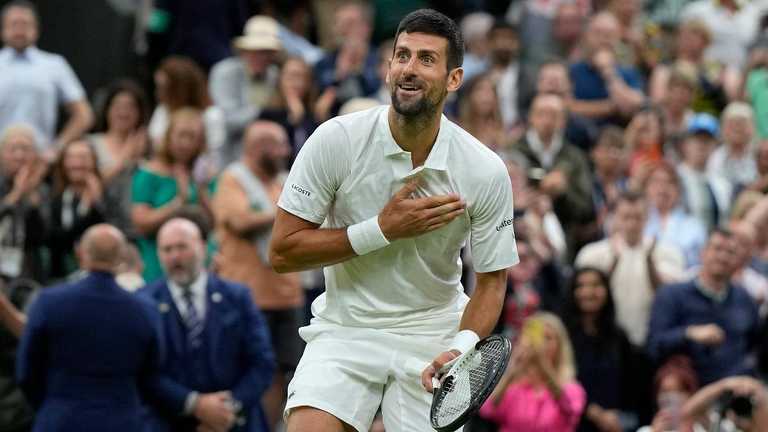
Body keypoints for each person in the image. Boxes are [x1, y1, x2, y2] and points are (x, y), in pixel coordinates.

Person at [270, 9, 518, 432]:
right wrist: (382, 230)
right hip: (345, 329)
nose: (409, 68)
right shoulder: (335, 140)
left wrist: (461, 346)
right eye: (402, 56)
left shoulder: (484, 169)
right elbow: (282, 252)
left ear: (453, 79)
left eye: (426, 59)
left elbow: (493, 281)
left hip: (434, 334)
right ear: (388, 68)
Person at [16, 224, 163, 432]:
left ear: (80, 254)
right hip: (122, 420)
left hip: (61, 419)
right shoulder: (145, 310)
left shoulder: (49, 302)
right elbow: (152, 374)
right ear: (121, 257)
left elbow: (26, 371)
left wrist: (52, 405)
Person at [141, 218, 275, 432]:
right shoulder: (144, 302)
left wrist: (225, 410)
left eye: (182, 247)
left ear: (203, 247)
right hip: (170, 422)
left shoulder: (237, 296)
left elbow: (262, 363)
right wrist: (195, 405)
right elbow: (144, 371)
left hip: (236, 422)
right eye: (167, 249)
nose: (175, 256)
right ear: (158, 254)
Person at [212, 120, 304, 429]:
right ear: (258, 147)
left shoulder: (284, 179)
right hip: (247, 295)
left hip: (287, 293)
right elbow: (238, 220)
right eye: (279, 144)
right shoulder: (233, 179)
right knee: (245, 369)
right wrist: (286, 211)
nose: (286, 151)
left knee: (280, 370)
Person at [647, 228, 762, 385]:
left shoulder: (744, 298)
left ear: (738, 261)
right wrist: (688, 334)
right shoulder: (672, 295)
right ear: (703, 253)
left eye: (730, 252)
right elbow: (654, 346)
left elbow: (757, 345)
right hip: (690, 391)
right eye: (717, 249)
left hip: (736, 392)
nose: (722, 257)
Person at [575, 191, 685, 347]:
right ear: (614, 218)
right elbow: (582, 299)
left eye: (638, 217)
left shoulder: (668, 252)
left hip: (649, 339)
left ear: (647, 218)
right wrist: (614, 262)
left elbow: (668, 296)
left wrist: (649, 263)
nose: (632, 224)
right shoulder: (591, 253)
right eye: (626, 217)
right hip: (605, 340)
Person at [0, 0, 93, 159]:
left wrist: (57, 148)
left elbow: (84, 115)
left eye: (25, 24)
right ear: (3, 29)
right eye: (14, 24)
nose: (19, 30)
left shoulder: (55, 65)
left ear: (36, 29)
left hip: (40, 162)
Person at [510, 92, 595, 259]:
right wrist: (524, 201)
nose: (547, 121)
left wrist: (562, 193)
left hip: (564, 244)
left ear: (563, 121)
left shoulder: (575, 157)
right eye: (541, 113)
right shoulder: (512, 151)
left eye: (554, 115)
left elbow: (586, 209)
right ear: (531, 117)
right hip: (518, 241)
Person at [131, 108, 212, 282]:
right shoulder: (148, 174)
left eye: (193, 138)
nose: (186, 143)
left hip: (199, 265)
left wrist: (201, 190)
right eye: (181, 135)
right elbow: (141, 223)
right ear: (169, 136)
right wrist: (178, 202)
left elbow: (216, 221)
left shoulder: (203, 175)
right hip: (158, 263)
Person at [561, 267, 645, 432]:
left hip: (613, 421)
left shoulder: (619, 337)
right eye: (581, 286)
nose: (589, 292)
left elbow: (630, 384)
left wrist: (617, 417)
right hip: (572, 419)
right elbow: (558, 380)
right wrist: (594, 413)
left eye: (596, 285)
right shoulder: (562, 334)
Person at [479, 313, 586, 432]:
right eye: (537, 338)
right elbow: (487, 410)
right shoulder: (516, 385)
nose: (541, 345)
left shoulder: (570, 387)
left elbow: (571, 410)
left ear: (560, 346)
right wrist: (513, 368)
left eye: (548, 338)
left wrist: (543, 366)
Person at [209, 15, 281, 159]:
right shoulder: (225, 72)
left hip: (265, 150)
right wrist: (260, 113)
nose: (261, 57)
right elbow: (227, 120)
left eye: (266, 52)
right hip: (228, 150)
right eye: (256, 51)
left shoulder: (274, 75)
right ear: (245, 51)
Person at [88, 79, 150, 236]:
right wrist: (125, 157)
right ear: (107, 109)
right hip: (102, 225)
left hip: (139, 229)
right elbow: (91, 186)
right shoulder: (91, 144)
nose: (123, 112)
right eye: (118, 106)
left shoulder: (150, 146)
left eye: (131, 106)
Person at [568, 12, 645, 127]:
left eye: (609, 35)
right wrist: (609, 107)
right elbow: (566, 107)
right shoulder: (573, 70)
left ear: (618, 38)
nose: (604, 39)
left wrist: (608, 72)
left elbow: (633, 106)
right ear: (586, 36)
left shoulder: (629, 72)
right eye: (598, 33)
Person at [47, 140, 108, 280]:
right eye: (71, 158)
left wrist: (97, 205)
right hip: (61, 274)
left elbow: (108, 237)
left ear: (94, 162)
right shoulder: (56, 198)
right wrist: (86, 208)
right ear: (63, 164)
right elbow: (57, 242)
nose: (77, 164)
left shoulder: (108, 195)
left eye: (83, 157)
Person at [0, 124, 47, 283]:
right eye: (13, 149)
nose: (19, 156)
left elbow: (42, 237)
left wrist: (31, 201)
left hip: (27, 272)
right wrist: (16, 194)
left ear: (35, 155)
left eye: (26, 149)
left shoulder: (43, 190)